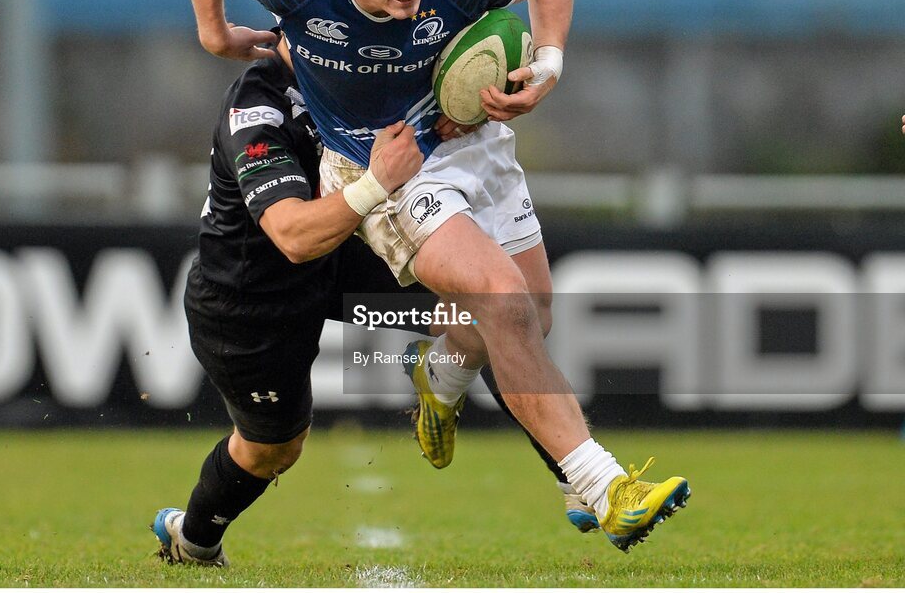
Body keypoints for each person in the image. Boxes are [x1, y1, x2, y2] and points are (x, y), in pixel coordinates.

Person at [181, 0, 690, 552]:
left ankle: (440, 374)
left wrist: (549, 67)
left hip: (471, 139)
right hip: (384, 168)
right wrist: (214, 31)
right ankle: (604, 485)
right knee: (500, 300)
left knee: (533, 314)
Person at [151, 38, 597, 566]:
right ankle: (194, 537)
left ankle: (581, 475)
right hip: (253, 292)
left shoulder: (377, 64)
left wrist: (477, 104)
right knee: (273, 447)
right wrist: (380, 178)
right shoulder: (256, 109)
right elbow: (293, 236)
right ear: (285, 31)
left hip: (346, 258)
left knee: (496, 304)